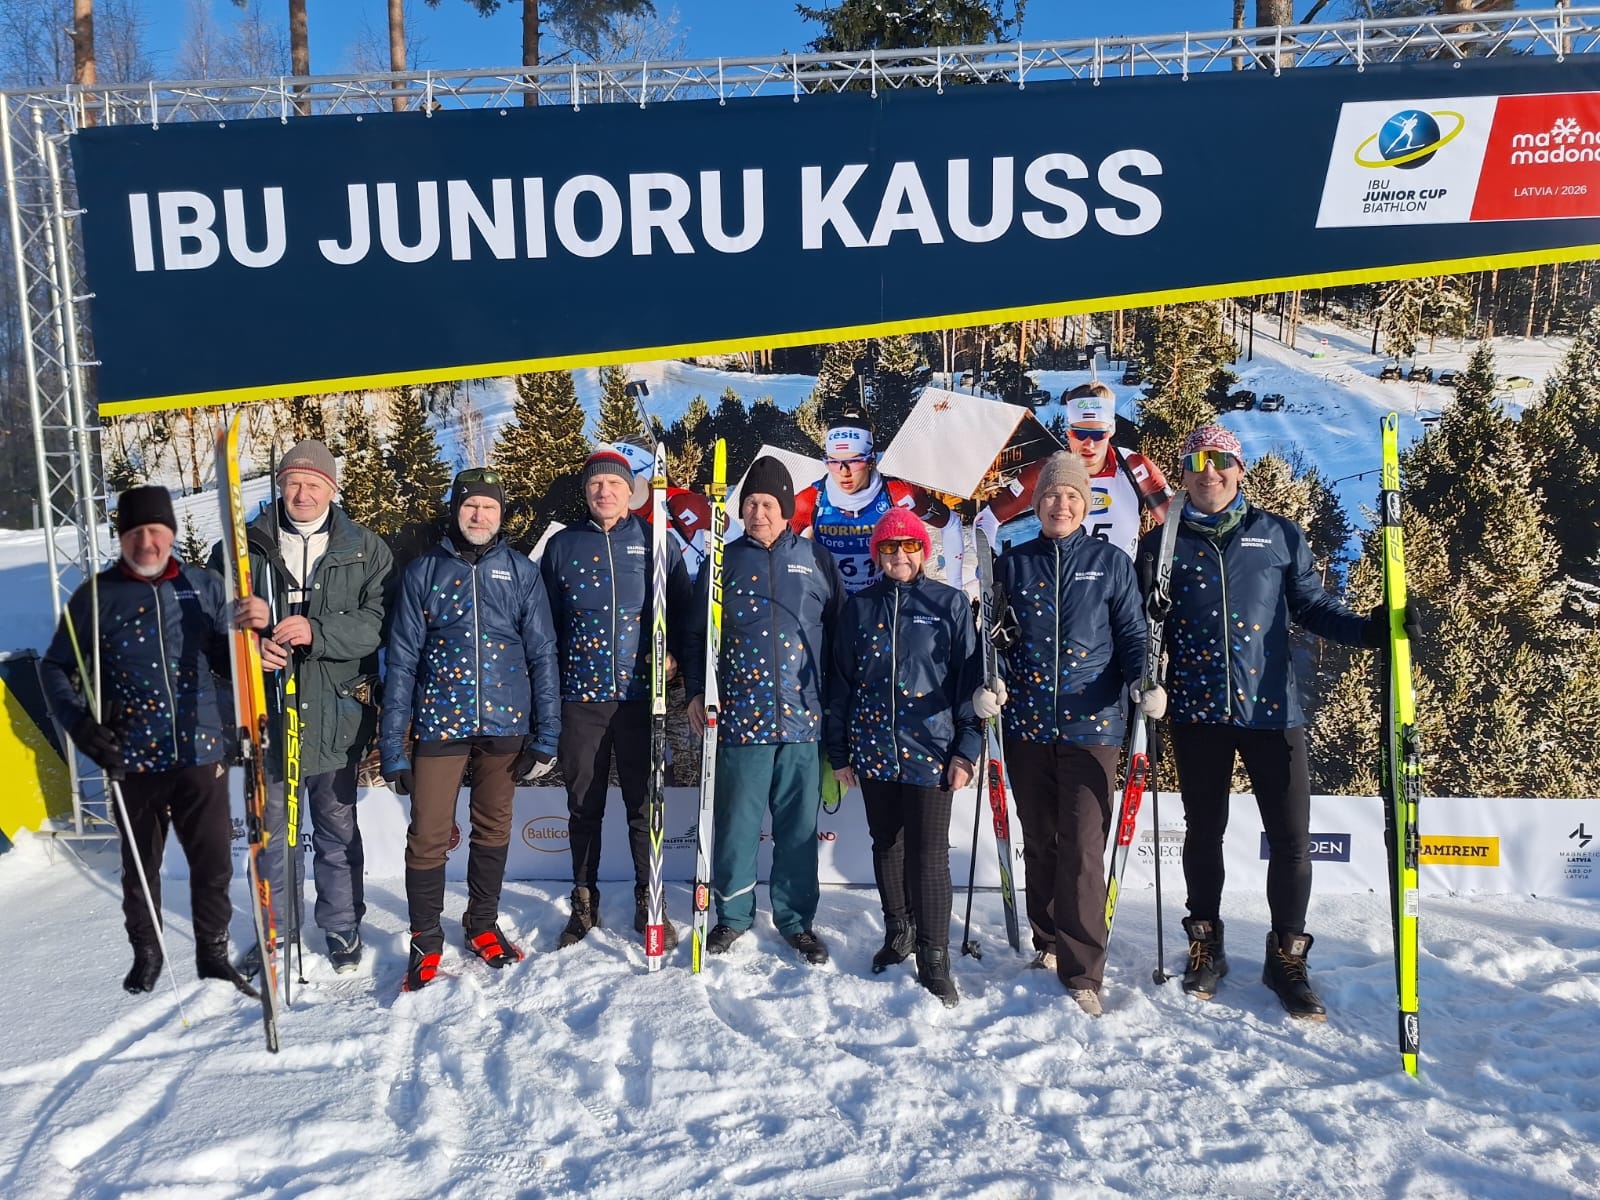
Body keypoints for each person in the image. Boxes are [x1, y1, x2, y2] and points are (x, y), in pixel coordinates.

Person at [1137, 425, 1398, 1020]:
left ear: (1239, 469)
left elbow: (1312, 606)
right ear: (1183, 473)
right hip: (1198, 711)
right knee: (1204, 832)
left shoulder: (1278, 534)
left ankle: (1286, 957)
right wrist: (1143, 681)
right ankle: (1206, 943)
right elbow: (1141, 626)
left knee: (1291, 839)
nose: (1209, 472)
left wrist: (1368, 630)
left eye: (1220, 461)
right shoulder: (1160, 544)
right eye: (1196, 462)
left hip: (1272, 709)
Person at [41, 485, 251, 995]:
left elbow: (230, 660)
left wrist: (250, 636)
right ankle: (147, 951)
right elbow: (55, 667)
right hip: (131, 755)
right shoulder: (97, 596)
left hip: (200, 749)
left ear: (171, 533)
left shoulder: (204, 586)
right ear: (121, 538)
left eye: (156, 531)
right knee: (140, 866)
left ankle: (213, 951)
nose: (148, 543)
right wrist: (81, 727)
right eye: (135, 533)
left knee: (213, 862)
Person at [981, 452, 1151, 1017]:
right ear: (1037, 503)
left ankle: (1082, 971)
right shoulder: (1014, 564)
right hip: (1027, 725)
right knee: (1041, 839)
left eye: (1072, 496)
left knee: (1082, 845)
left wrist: (1142, 680)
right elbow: (996, 640)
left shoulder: (1110, 563)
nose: (1062, 504)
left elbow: (1132, 634)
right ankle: (1048, 938)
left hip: (1092, 725)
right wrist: (993, 681)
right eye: (1052, 495)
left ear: (1085, 503)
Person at [380, 469, 561, 990]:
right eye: (470, 506)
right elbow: (402, 660)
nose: (479, 515)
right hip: (441, 721)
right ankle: (425, 938)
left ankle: (481, 922)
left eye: (489, 507)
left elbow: (543, 654)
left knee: (494, 828)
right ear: (455, 510)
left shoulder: (521, 572)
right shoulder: (424, 571)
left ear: (501, 515)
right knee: (428, 835)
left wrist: (546, 734)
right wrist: (393, 745)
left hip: (505, 724)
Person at [221, 440, 392, 977]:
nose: (302, 493)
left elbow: (377, 623)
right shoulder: (244, 546)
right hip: (268, 715)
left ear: (331, 489)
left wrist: (317, 632)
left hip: (335, 716)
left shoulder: (365, 548)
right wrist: (247, 646)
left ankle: (341, 924)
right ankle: (276, 929)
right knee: (272, 833)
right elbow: (212, 613)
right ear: (279, 486)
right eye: (293, 483)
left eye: (313, 484)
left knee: (337, 830)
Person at [685, 456, 845, 964]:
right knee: (736, 826)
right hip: (740, 719)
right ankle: (732, 916)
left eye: (769, 504)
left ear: (788, 509)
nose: (758, 513)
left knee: (797, 830)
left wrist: (835, 706)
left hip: (803, 720)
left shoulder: (816, 560)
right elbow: (696, 634)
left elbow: (838, 635)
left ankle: (796, 921)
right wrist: (696, 690)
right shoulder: (722, 562)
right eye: (751, 503)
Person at [541, 448, 695, 951]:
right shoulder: (563, 546)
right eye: (594, 485)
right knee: (582, 805)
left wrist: (673, 656)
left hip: (640, 698)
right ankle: (583, 902)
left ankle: (649, 900)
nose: (603, 492)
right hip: (581, 699)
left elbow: (684, 611)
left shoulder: (656, 541)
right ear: (585, 492)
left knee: (643, 804)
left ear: (631, 491)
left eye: (613, 484)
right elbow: (545, 625)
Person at [827, 508, 981, 1007]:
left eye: (909, 545)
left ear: (923, 551)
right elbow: (840, 684)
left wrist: (966, 751)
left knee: (929, 856)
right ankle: (899, 932)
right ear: (877, 554)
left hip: (932, 752)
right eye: (889, 547)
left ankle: (935, 957)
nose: (899, 555)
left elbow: (969, 684)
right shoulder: (860, 607)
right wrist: (839, 752)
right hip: (873, 749)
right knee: (886, 845)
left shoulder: (948, 603)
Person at [790, 410, 949, 594]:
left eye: (855, 461)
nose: (844, 472)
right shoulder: (810, 499)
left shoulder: (899, 494)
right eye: (833, 462)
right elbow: (772, 547)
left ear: (870, 459)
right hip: (836, 603)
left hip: (884, 601)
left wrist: (956, 586)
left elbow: (949, 523)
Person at [1060, 381, 1172, 559]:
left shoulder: (1134, 466)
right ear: (1068, 432)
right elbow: (1005, 510)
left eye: (1098, 434)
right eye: (1080, 433)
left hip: (1123, 574)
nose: (1089, 444)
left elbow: (1174, 529)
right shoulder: (1050, 470)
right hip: (1068, 576)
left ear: (1111, 431)